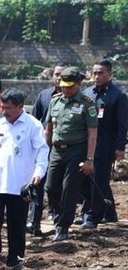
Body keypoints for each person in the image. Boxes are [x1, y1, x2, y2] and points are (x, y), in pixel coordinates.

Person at [0, 89, 48, 269]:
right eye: (3, 107)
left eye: (9, 108)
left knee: (17, 222)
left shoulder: (33, 125)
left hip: (21, 184)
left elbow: (42, 151)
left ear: (20, 107)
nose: (5, 111)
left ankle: (15, 257)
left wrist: (38, 173)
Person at [44, 66, 98, 243]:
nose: (65, 89)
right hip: (57, 150)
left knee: (69, 188)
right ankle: (58, 216)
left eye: (70, 86)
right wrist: (48, 148)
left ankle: (63, 226)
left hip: (77, 150)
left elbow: (92, 133)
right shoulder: (55, 101)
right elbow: (49, 128)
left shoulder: (87, 103)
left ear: (79, 84)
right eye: (63, 86)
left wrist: (89, 159)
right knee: (51, 187)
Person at [82, 58, 127, 226]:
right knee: (88, 180)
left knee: (99, 180)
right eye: (94, 73)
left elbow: (123, 125)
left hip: (105, 145)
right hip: (86, 145)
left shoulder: (118, 96)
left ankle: (93, 216)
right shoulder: (87, 93)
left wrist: (120, 147)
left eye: (101, 73)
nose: (96, 76)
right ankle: (110, 213)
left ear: (110, 74)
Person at [28, 62, 64, 234]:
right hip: (43, 148)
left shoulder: (74, 99)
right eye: (56, 74)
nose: (59, 77)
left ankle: (59, 222)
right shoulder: (44, 96)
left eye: (63, 74)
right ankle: (34, 223)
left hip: (64, 150)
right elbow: (34, 120)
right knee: (37, 184)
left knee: (56, 187)